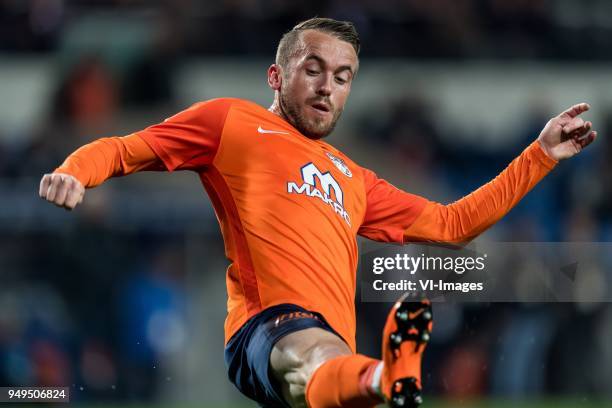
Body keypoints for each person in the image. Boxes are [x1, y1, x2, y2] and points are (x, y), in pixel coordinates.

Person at [39, 17, 597, 408]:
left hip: (334, 367)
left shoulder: (354, 178)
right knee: (312, 353)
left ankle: (377, 379)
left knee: (329, 362)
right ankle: (384, 375)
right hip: (268, 330)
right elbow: (124, 147)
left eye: (342, 76)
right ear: (276, 77)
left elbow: (454, 224)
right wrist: (74, 172)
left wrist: (541, 154)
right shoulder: (229, 122)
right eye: (313, 69)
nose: (327, 87)